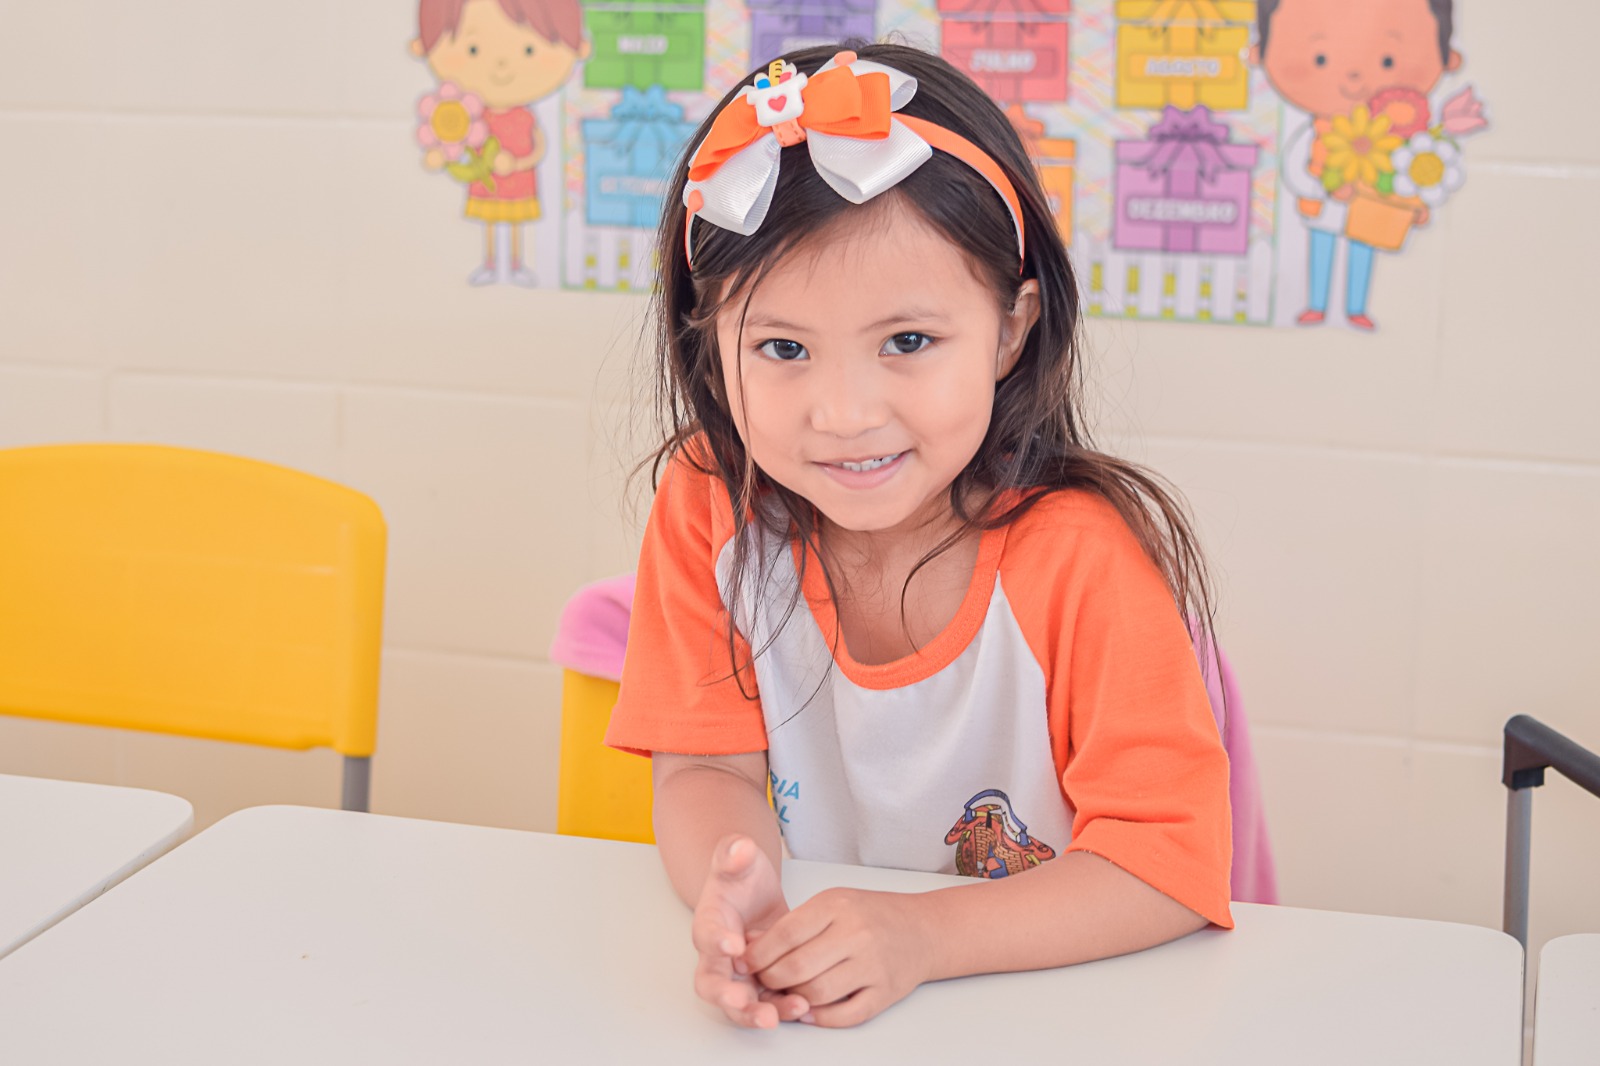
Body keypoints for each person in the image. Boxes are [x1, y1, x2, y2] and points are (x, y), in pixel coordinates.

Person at [605, 42, 1232, 1030]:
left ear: (1011, 329)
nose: (846, 414)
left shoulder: (1080, 556)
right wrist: (741, 887)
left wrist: (922, 938)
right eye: (782, 347)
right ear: (709, 345)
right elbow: (704, 770)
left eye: (907, 341)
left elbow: (1168, 863)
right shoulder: (709, 504)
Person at [1253, 0, 1460, 329]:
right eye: (1321, 59)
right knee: (1321, 250)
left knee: (1361, 253)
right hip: (1323, 212)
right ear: (1258, 53)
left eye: (1387, 61)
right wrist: (1323, 189)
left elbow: (1402, 177)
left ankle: (1355, 307)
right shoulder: (1316, 134)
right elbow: (1293, 168)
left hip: (1370, 216)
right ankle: (1317, 303)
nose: (1353, 79)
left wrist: (1414, 207)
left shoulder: (1393, 138)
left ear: (1449, 59)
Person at [412, 0, 588, 286]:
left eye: (528, 50)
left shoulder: (525, 117)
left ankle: (515, 264)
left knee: (514, 224)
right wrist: (440, 155)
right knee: (492, 224)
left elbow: (538, 148)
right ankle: (492, 263)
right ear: (420, 46)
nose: (501, 65)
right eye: (473, 49)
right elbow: (459, 146)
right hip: (487, 182)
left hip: (519, 181)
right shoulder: (469, 115)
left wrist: (517, 163)